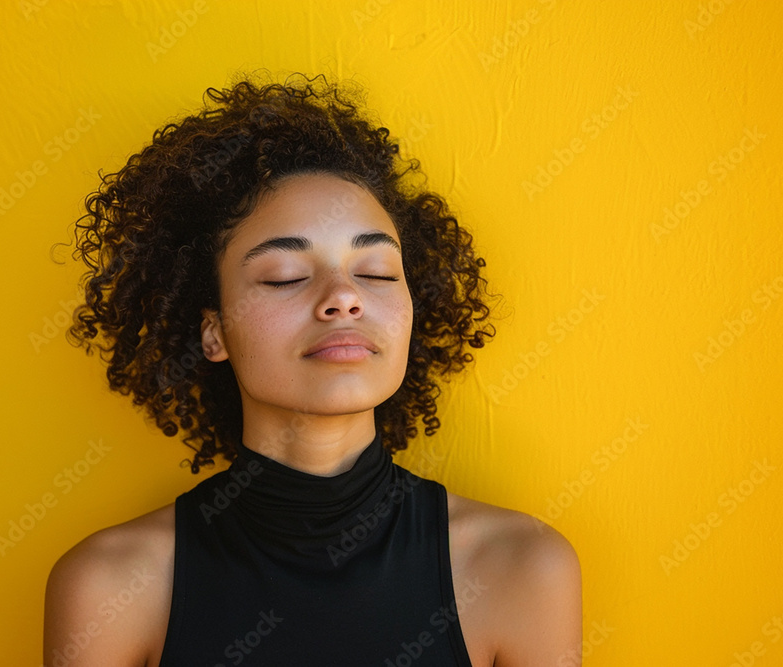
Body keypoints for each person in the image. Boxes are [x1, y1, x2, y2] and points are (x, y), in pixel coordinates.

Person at [44, 71, 582, 666]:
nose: (344, 296)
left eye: (375, 271)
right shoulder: (109, 587)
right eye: (285, 276)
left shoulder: (524, 568)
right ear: (214, 331)